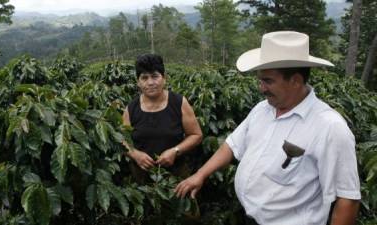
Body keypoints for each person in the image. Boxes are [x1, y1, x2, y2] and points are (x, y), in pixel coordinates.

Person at [175, 31, 361, 225]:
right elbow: (232, 145)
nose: (261, 88)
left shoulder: (330, 127)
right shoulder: (263, 109)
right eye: (260, 80)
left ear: (296, 80)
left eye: (268, 81)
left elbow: (347, 198)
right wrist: (200, 174)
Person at [123, 53, 202, 183]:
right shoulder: (131, 109)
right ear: (138, 82)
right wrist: (135, 154)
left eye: (155, 76)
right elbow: (122, 140)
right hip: (142, 181)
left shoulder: (179, 102)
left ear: (164, 78)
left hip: (176, 178)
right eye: (144, 78)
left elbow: (196, 135)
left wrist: (175, 151)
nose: (150, 82)